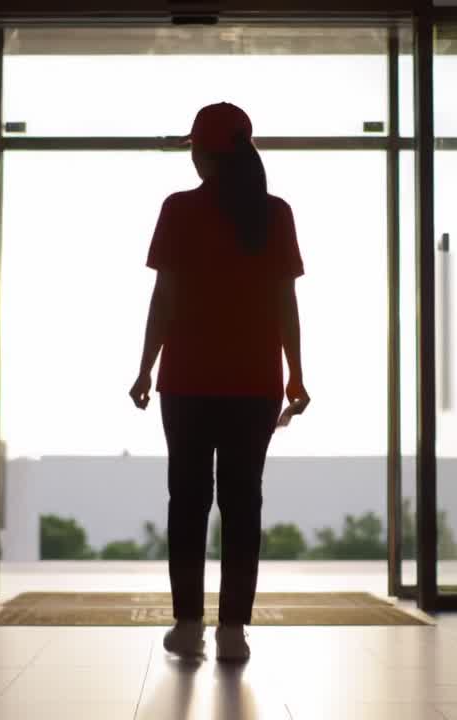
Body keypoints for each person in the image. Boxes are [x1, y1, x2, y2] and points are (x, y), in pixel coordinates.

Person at [129, 102, 309, 663]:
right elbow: (285, 302)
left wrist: (145, 366)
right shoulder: (274, 213)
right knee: (242, 502)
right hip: (255, 381)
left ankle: (188, 625)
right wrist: (296, 373)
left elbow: (164, 298)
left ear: (203, 154)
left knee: (187, 501)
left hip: (187, 379)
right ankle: (233, 630)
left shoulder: (179, 209)